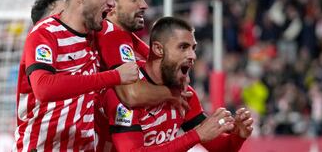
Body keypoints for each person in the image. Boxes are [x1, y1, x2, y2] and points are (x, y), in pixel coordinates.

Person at [13, 0, 139, 152]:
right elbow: (44, 89)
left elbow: (136, 43)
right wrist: (114, 76)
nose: (112, 3)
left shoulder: (98, 34)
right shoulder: (45, 33)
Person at [97, 17, 253, 151]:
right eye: (183, 47)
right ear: (158, 49)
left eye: (193, 48)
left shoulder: (185, 94)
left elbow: (221, 148)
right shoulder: (125, 91)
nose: (192, 55)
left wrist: (238, 136)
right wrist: (196, 136)